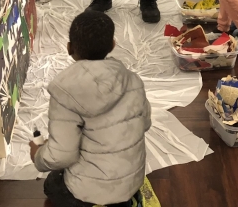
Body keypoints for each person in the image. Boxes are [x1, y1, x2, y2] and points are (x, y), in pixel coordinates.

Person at [29, 11, 151, 207]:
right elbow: (145, 123)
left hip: (88, 193)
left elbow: (61, 155)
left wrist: (37, 154)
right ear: (112, 44)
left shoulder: (66, 91)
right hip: (130, 184)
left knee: (52, 183)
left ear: (69, 48)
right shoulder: (133, 80)